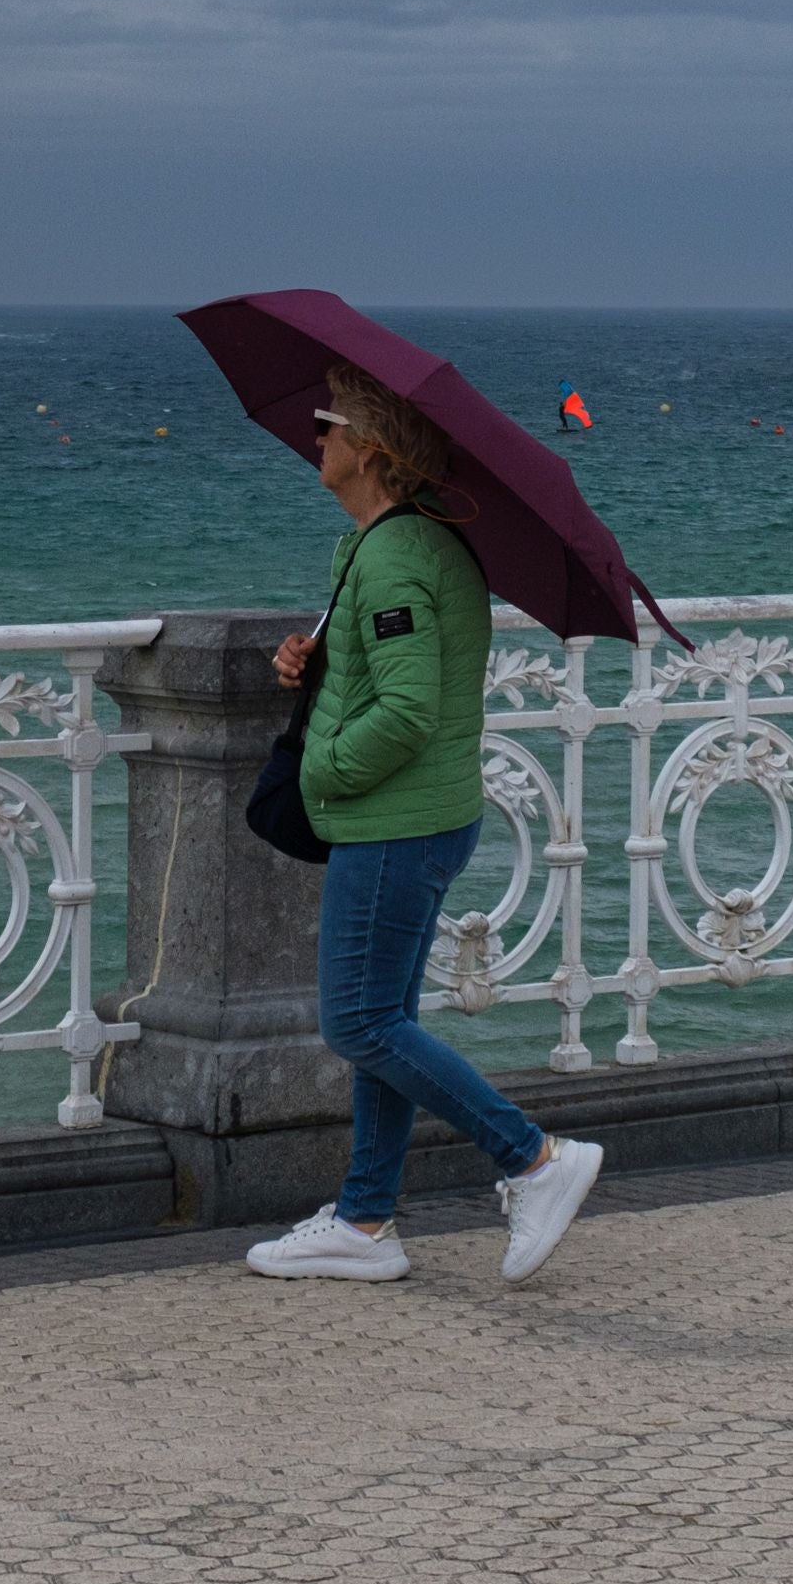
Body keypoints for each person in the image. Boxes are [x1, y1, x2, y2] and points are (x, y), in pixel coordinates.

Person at [246, 362, 604, 1285]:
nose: (314, 438)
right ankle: (364, 1221)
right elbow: (394, 674)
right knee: (383, 1021)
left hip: (392, 824)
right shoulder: (391, 543)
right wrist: (313, 662)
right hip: (420, 818)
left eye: (327, 424)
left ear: (369, 448)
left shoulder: (397, 554)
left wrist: (323, 767)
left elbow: (407, 713)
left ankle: (533, 1158)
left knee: (357, 1022)